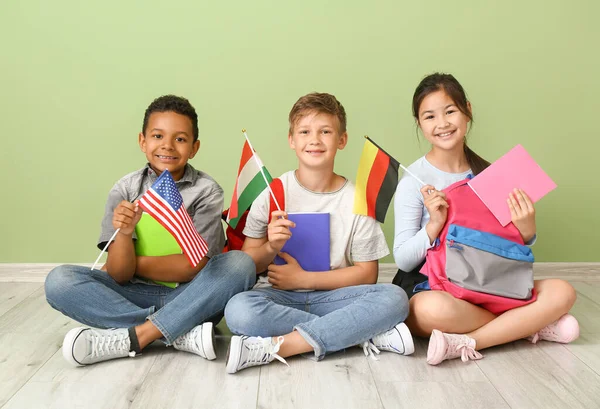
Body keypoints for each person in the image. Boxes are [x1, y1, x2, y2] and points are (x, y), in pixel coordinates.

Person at [45, 95, 256, 366]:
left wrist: (133, 264)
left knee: (240, 263)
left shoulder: (207, 190)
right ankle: (178, 331)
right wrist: (124, 233)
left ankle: (138, 335)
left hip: (192, 292)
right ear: (143, 141)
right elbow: (120, 276)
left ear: (194, 147)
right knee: (59, 281)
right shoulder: (125, 190)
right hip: (134, 293)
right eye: (157, 136)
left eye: (180, 139)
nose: (167, 145)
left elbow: (194, 267)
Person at [392, 73, 579, 365]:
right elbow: (403, 260)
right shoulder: (412, 181)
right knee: (427, 311)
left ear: (467, 111)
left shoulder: (491, 175)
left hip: (490, 282)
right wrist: (433, 227)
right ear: (419, 123)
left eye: (450, 111)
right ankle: (527, 325)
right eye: (430, 116)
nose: (442, 123)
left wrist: (527, 230)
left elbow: (505, 250)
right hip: (435, 286)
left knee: (563, 291)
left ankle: (471, 341)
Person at [224, 92, 413, 374]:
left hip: (338, 298)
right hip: (279, 298)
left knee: (394, 298)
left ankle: (286, 344)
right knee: (238, 308)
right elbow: (248, 263)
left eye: (325, 131)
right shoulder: (273, 192)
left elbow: (367, 274)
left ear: (342, 140)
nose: (314, 140)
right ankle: (355, 331)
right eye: (305, 132)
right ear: (292, 140)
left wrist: (304, 278)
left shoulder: (357, 200)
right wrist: (271, 247)